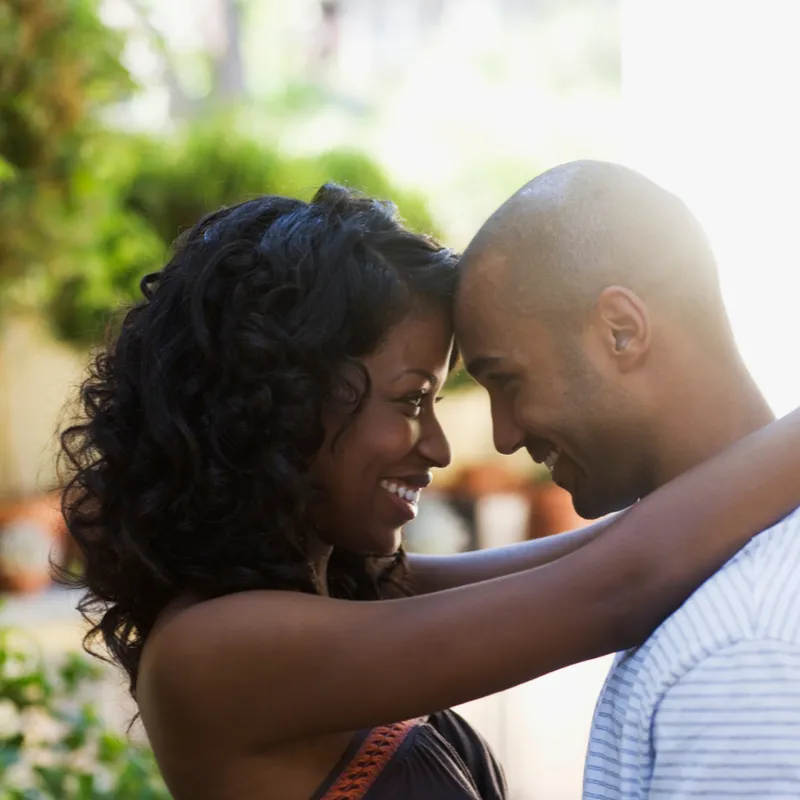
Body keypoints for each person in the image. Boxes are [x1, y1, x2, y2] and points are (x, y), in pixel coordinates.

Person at [60, 183, 800, 800]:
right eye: (413, 399)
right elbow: (614, 585)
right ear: (284, 401)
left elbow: (615, 548)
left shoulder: (350, 595)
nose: (442, 448)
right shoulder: (214, 653)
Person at [456, 159, 800, 799]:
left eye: (506, 381)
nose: (504, 435)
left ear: (622, 331)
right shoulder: (726, 595)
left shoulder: (743, 651)